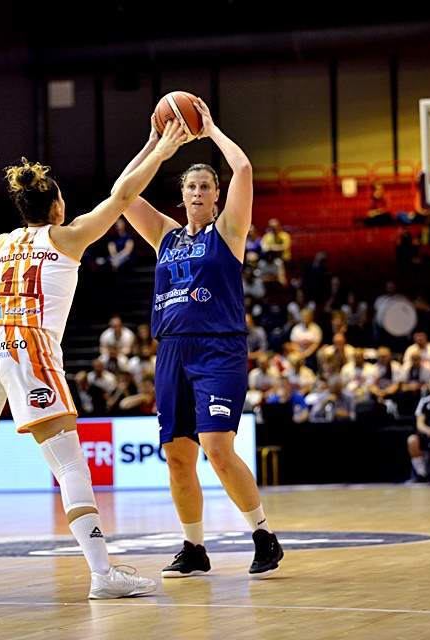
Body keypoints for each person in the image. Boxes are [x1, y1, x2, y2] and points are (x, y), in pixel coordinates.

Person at [0, 122, 186, 601]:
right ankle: (102, 575)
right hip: (25, 346)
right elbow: (122, 195)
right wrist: (160, 148)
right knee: (71, 465)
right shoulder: (70, 236)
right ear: (56, 205)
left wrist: (151, 145)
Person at [115, 96, 284, 579]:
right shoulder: (165, 235)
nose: (196, 192)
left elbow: (245, 168)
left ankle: (263, 536)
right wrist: (155, 145)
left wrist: (209, 130)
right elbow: (121, 193)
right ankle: (194, 548)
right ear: (181, 194)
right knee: (178, 456)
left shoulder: (228, 231)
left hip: (218, 348)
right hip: (171, 350)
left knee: (216, 447)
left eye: (205, 186)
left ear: (215, 195)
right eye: (189, 186)